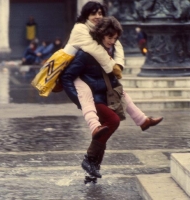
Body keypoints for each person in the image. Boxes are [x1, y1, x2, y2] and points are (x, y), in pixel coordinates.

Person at [63, 1, 163, 140]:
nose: (98, 16)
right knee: (87, 98)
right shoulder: (81, 29)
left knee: (120, 91)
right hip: (76, 73)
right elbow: (95, 50)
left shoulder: (99, 30)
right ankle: (94, 128)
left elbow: (118, 45)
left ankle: (142, 120)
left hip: (91, 74)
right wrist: (112, 66)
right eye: (93, 13)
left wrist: (119, 64)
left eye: (100, 13)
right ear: (86, 15)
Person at [61, 16, 134, 179]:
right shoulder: (85, 54)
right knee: (113, 121)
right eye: (110, 37)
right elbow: (66, 77)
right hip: (92, 99)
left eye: (115, 38)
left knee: (104, 131)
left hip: (104, 96)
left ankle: (92, 171)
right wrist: (78, 101)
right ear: (101, 35)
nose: (113, 41)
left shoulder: (108, 52)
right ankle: (89, 159)